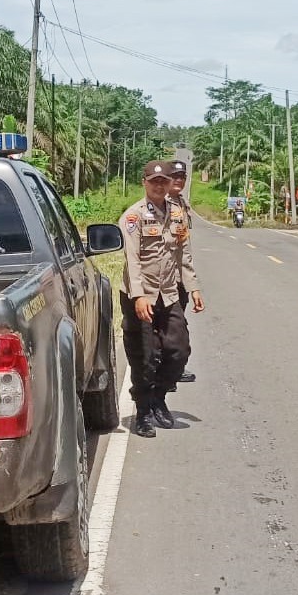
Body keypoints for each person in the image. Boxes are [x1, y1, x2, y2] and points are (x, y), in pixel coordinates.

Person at [119, 161, 202, 437]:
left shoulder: (177, 214)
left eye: (164, 181)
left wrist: (193, 287)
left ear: (169, 184)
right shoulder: (134, 217)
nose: (159, 185)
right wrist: (139, 296)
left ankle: (158, 398)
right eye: (153, 181)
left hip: (168, 294)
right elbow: (132, 260)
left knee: (178, 351)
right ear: (144, 182)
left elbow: (184, 255)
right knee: (145, 356)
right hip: (140, 295)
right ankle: (142, 412)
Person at [166, 159, 198, 386]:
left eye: (182, 177)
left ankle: (174, 369)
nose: (178, 180)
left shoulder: (181, 203)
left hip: (180, 277)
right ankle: (166, 372)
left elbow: (184, 247)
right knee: (169, 328)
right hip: (164, 278)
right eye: (174, 176)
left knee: (177, 326)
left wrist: (191, 284)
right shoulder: (162, 204)